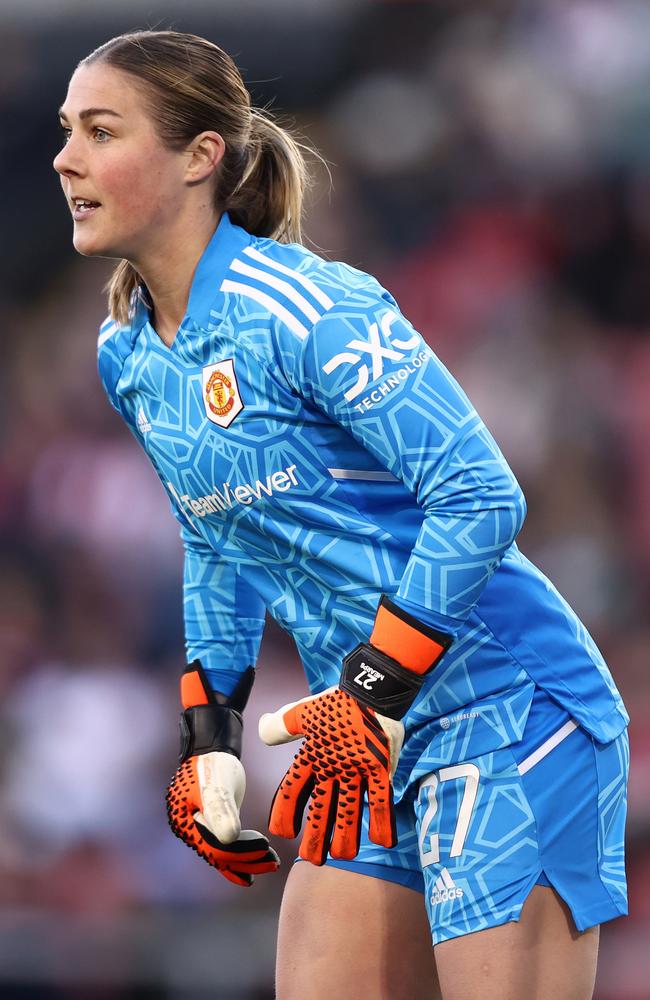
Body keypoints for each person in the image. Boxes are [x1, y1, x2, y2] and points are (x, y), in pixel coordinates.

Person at [54, 29, 629, 1000]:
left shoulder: (307, 309)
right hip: (360, 731)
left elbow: (480, 495)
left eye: (101, 131)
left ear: (200, 158)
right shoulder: (129, 356)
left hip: (506, 710)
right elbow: (215, 542)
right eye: (68, 130)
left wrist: (368, 689)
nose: (66, 157)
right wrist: (208, 740)